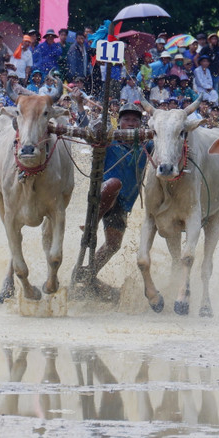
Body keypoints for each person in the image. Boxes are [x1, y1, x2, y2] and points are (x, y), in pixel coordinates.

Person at [81, 102, 148, 299]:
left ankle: (87, 274)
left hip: (124, 204)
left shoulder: (147, 144)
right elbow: (87, 132)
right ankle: (91, 223)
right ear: (118, 123)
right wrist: (79, 105)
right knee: (114, 183)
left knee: (113, 245)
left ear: (140, 125)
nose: (131, 123)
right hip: (104, 194)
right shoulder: (109, 139)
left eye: (135, 120)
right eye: (126, 119)